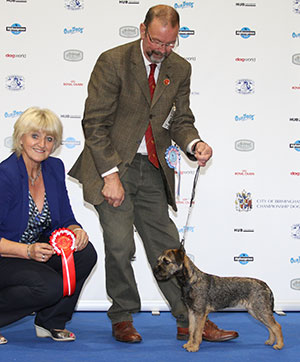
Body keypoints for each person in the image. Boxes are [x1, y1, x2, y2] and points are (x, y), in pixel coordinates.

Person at [69, 4, 238, 343]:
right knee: (119, 246)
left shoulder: (180, 68)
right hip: (113, 166)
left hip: (152, 169)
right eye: (157, 42)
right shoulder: (113, 61)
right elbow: (95, 123)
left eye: (170, 44)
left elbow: (181, 120)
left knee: (169, 247)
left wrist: (195, 144)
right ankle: (122, 316)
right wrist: (110, 175)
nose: (162, 50)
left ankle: (188, 319)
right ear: (143, 30)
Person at [0, 107, 97, 344]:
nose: (42, 144)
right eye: (35, 136)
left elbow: (64, 218)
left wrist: (76, 230)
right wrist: (27, 251)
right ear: (20, 138)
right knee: (49, 286)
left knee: (85, 254)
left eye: (49, 138)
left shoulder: (54, 168)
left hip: (35, 249)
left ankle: (51, 322)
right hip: (7, 253)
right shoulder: (6, 175)